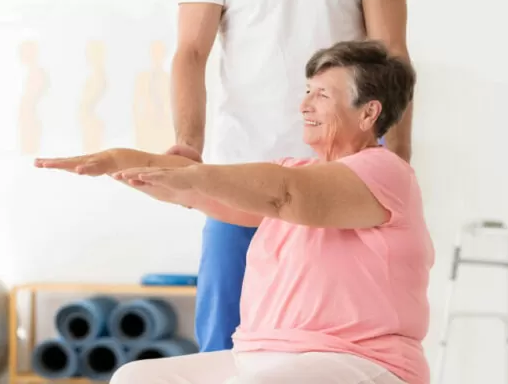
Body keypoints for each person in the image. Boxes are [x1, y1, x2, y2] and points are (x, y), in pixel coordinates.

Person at [36, 40, 432, 384]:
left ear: (368, 113)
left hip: (361, 361)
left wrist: (195, 177)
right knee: (135, 377)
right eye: (308, 91)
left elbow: (285, 194)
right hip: (259, 355)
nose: (304, 104)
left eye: (322, 95)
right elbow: (202, 192)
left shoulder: (384, 172)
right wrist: (117, 160)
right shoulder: (294, 171)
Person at [166, 0, 414, 352]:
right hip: (241, 168)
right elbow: (190, 51)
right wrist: (188, 144)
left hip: (337, 176)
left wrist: (397, 159)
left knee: (340, 336)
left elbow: (391, 53)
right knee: (223, 338)